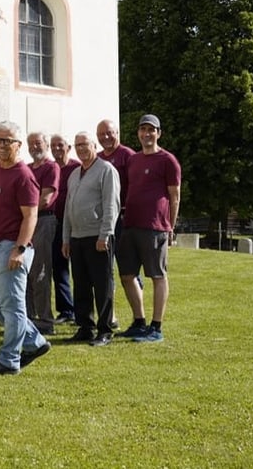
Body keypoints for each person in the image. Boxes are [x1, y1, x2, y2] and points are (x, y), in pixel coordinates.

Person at [0, 121, 51, 374]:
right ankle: (35, 342)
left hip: (11, 247)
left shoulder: (24, 175)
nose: (1, 145)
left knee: (13, 306)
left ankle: (8, 360)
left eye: (7, 141)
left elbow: (31, 216)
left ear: (18, 145)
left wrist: (21, 248)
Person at [119, 114, 181, 342]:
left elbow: (175, 196)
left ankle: (156, 327)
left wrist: (170, 227)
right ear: (138, 133)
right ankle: (139, 321)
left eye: (151, 130)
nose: (147, 134)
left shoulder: (168, 160)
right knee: (127, 275)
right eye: (143, 129)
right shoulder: (133, 160)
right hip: (131, 224)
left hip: (155, 226)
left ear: (158, 133)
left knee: (157, 275)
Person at [60, 132, 120, 347]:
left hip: (98, 237)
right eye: (77, 145)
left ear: (94, 146)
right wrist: (66, 238)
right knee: (81, 285)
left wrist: (105, 235)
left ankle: (105, 330)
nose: (81, 149)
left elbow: (111, 206)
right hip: (77, 237)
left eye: (85, 144)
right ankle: (85, 327)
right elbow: (68, 208)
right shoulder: (75, 174)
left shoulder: (106, 170)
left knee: (102, 284)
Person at [97, 118, 136, 332]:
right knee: (106, 271)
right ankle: (110, 315)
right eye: (101, 134)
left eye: (109, 133)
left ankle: (138, 317)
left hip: (123, 220)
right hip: (103, 223)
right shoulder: (98, 159)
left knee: (128, 271)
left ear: (117, 133)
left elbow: (134, 186)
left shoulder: (127, 155)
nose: (105, 137)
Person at [26, 132, 59, 334]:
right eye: (31, 144)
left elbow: (46, 199)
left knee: (40, 271)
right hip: (26, 221)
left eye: (38, 143)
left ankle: (46, 320)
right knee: (25, 271)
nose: (34, 147)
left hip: (43, 220)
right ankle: (28, 317)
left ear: (46, 144)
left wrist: (26, 213)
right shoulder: (28, 168)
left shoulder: (51, 167)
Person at [49, 134, 80, 324]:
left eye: (60, 145)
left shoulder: (76, 168)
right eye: (53, 146)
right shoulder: (51, 168)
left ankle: (82, 311)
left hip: (75, 223)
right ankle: (66, 310)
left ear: (68, 147)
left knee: (79, 269)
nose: (56, 148)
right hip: (55, 223)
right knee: (58, 268)